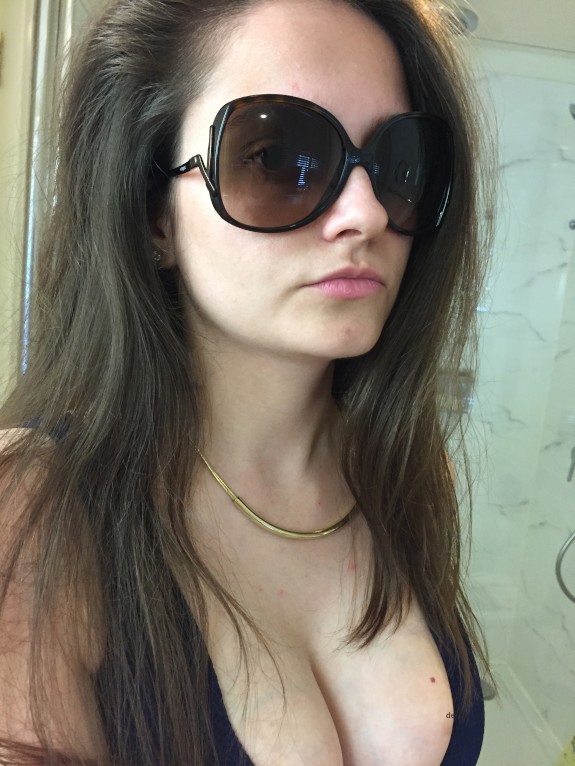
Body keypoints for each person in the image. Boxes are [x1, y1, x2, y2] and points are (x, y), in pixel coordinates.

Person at [0, 0, 496, 764]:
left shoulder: (397, 466)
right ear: (154, 213)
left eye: (398, 163)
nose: (364, 213)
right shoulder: (31, 512)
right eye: (274, 157)